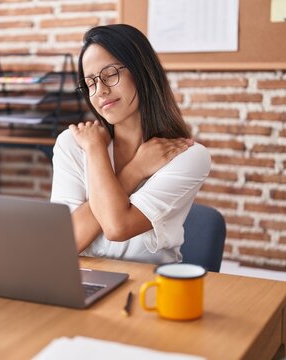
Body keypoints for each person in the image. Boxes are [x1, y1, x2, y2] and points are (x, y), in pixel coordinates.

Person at [50, 24, 211, 264]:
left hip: (150, 286)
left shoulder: (187, 155)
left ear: (141, 71)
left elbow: (117, 227)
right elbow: (63, 243)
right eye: (90, 82)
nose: (101, 91)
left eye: (110, 74)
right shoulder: (74, 144)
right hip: (84, 280)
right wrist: (113, 159)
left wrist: (106, 158)